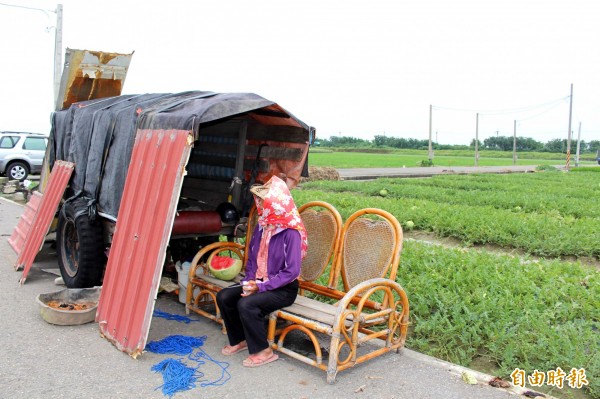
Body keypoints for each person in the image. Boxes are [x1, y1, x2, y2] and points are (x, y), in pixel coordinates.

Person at [215, 175, 307, 367]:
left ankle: (264, 351)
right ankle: (240, 339)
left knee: (246, 305)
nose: (261, 205)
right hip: (259, 281)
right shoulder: (262, 227)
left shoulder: (291, 233)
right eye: (261, 201)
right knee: (224, 296)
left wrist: (262, 287)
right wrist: (249, 281)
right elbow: (252, 258)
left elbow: (291, 272)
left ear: (276, 204)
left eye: (265, 202)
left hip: (283, 288)